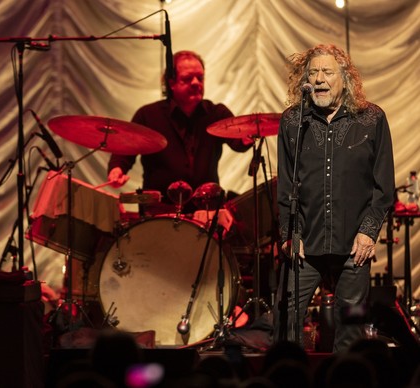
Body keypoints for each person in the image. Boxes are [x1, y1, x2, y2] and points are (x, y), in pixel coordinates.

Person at [274, 44, 395, 352]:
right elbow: (286, 186)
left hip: (354, 243)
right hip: (306, 241)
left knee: (351, 325)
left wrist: (368, 233)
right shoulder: (292, 121)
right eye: (313, 72)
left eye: (327, 72)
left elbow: (383, 188)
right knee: (286, 318)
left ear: (345, 78)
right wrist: (291, 235)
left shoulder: (372, 119)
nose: (319, 79)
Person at [107, 50, 253, 216]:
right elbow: (125, 151)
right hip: (159, 211)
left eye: (200, 77)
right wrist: (117, 169)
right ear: (171, 83)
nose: (196, 83)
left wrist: (249, 135)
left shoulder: (216, 113)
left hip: (205, 210)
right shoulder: (148, 115)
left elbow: (239, 143)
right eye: (187, 78)